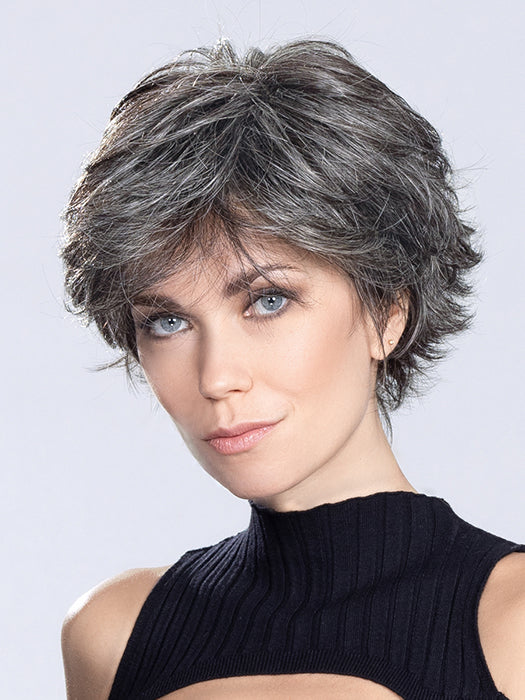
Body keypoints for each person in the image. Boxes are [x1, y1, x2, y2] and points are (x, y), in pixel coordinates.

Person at [60, 38, 525, 699]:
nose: (216, 377)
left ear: (387, 310)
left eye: (268, 300)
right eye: (167, 321)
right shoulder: (114, 635)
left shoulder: (511, 625)